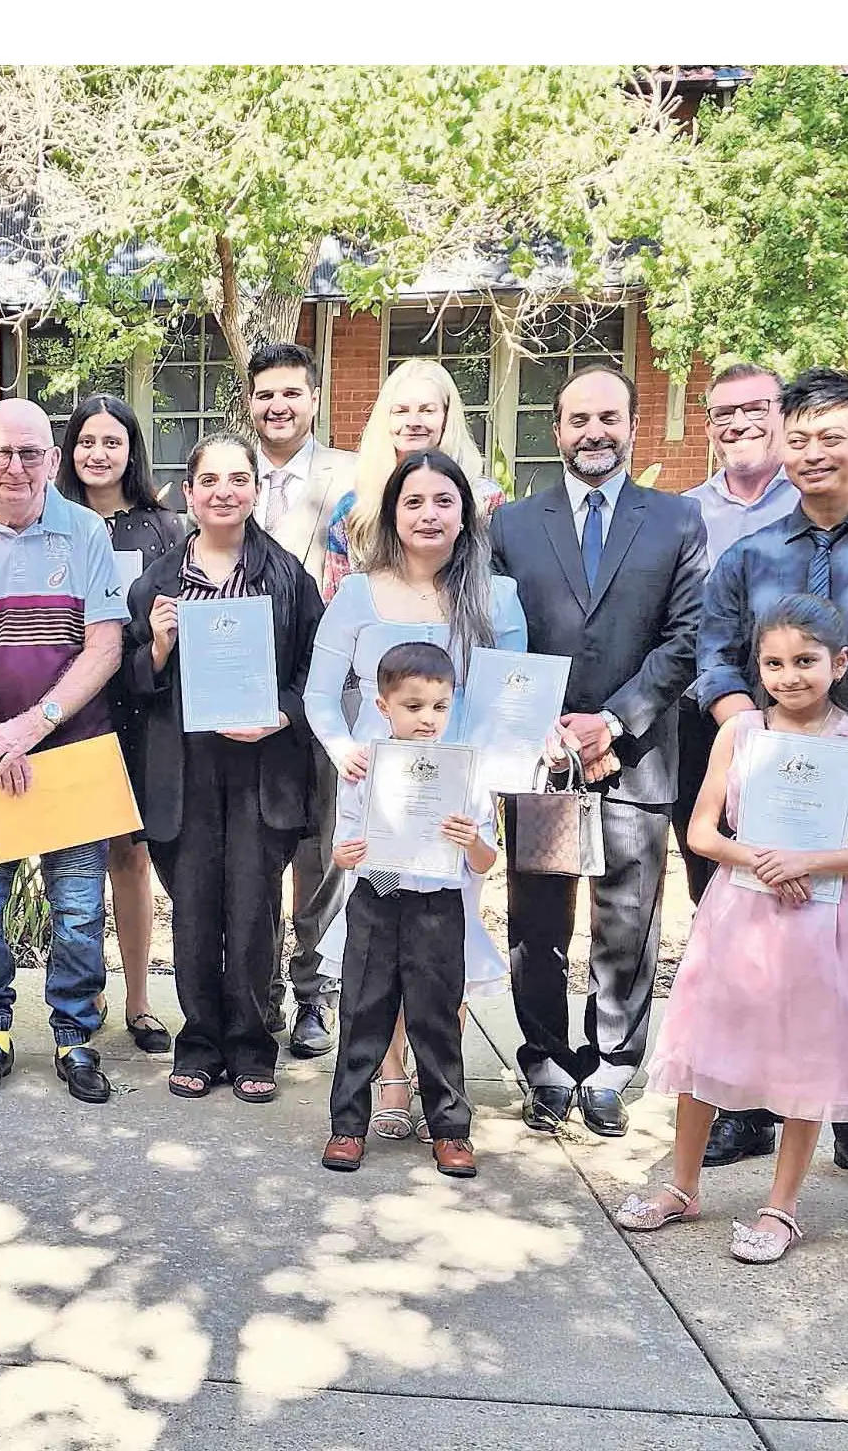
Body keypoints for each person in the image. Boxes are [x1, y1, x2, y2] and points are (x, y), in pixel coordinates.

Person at [687, 366, 848, 1198]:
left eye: (833, 437)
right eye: (800, 438)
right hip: (762, 792)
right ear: (779, 445)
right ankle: (747, 1110)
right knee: (757, 956)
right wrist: (750, 747)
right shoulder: (747, 556)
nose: (814, 452)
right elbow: (713, 657)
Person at [620, 595, 848, 1264]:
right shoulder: (740, 733)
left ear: (838, 663)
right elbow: (701, 832)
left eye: (805, 661)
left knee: (804, 1056)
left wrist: (810, 860)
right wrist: (759, 855)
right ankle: (682, 1184)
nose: (789, 675)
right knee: (708, 1044)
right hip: (743, 908)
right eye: (774, 662)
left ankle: (780, 1206)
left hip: (826, 916)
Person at [486, 364, 708, 1139]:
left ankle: (612, 1064)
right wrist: (546, 728)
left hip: (635, 755)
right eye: (578, 419)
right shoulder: (512, 525)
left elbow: (687, 639)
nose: (593, 433)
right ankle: (544, 1060)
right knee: (538, 918)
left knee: (626, 919)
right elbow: (499, 641)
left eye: (608, 417)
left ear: (632, 423)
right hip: (541, 759)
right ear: (556, 430)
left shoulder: (677, 521)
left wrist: (610, 723)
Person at [303, 448, 521, 1136]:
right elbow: (317, 695)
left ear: (465, 512)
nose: (428, 514)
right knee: (381, 939)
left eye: (443, 501)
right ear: (393, 513)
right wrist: (343, 750)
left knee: (444, 943)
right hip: (379, 792)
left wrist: (484, 784)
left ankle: (440, 1085)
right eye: (413, 502)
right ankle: (388, 1079)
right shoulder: (357, 594)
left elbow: (509, 703)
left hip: (457, 797)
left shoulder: (495, 595)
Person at [0, 400, 128, 1105]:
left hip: (71, 752)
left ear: (52, 458)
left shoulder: (85, 531)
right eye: (1, 453)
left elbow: (104, 645)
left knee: (76, 910)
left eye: (31, 453)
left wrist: (31, 726)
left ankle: (74, 1036)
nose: (15, 467)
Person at [123, 434, 321, 1103]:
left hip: (262, 769)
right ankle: (199, 1042)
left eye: (238, 479)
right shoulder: (155, 581)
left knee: (255, 912)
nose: (224, 492)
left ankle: (252, 1046)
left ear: (253, 490)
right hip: (183, 772)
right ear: (189, 492)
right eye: (209, 480)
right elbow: (128, 686)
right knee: (195, 914)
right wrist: (156, 645)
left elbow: (314, 673)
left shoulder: (288, 575)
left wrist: (283, 713)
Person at [319, 640, 503, 1177]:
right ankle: (347, 1126)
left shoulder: (466, 773)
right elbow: (345, 845)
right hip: (379, 895)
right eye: (413, 706)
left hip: (439, 904)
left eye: (440, 707)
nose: (427, 719)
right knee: (362, 1012)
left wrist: (470, 841)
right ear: (384, 707)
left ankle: (450, 1129)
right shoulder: (363, 768)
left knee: (437, 1018)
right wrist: (346, 854)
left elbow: (487, 860)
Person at [65, 394, 188, 1054]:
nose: (98, 454)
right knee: (75, 859)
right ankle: (81, 995)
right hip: (67, 712)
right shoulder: (51, 521)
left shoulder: (164, 530)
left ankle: (139, 1001)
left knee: (131, 858)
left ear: (130, 451)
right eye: (86, 441)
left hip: (141, 711)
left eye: (111, 442)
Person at [244, 342, 356, 1061]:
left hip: (330, 696)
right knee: (254, 849)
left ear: (313, 398)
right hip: (245, 699)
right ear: (248, 402)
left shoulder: (351, 477)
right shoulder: (222, 476)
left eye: (291, 392)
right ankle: (255, 994)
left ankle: (313, 992)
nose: (277, 406)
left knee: (321, 851)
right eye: (264, 395)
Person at [676, 362, 800, 904]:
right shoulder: (680, 514)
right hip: (704, 721)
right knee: (712, 881)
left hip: (806, 717)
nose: (739, 423)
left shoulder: (812, 502)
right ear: (707, 428)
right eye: (724, 413)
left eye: (756, 409)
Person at [324, 357, 501, 595]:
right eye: (401, 411)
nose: (413, 422)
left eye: (427, 410)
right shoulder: (353, 508)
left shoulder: (486, 499)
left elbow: (498, 589)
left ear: (447, 418)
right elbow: (335, 601)